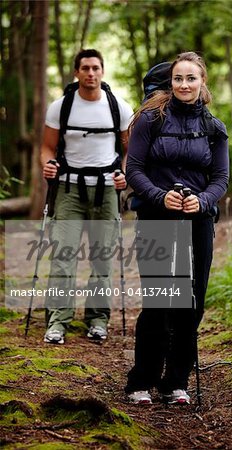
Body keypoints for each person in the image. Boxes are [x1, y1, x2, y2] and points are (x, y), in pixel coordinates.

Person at [125, 51, 229, 404]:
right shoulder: (150, 119)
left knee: (193, 300)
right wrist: (159, 196)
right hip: (156, 217)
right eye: (178, 79)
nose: (184, 85)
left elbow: (221, 177)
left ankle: (177, 381)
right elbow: (135, 169)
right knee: (159, 299)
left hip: (199, 220)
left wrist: (202, 200)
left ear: (202, 82)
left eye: (191, 78)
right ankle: (141, 381)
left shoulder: (215, 127)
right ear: (170, 83)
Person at [41, 49, 133, 345]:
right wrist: (48, 164)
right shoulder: (61, 107)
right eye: (85, 68)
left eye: (95, 68)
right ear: (76, 73)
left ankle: (97, 319)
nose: (90, 73)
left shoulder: (119, 107)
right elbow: (46, 147)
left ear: (102, 71)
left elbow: (130, 152)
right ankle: (57, 321)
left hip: (106, 190)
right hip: (68, 190)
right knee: (63, 256)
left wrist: (124, 174)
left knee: (102, 257)